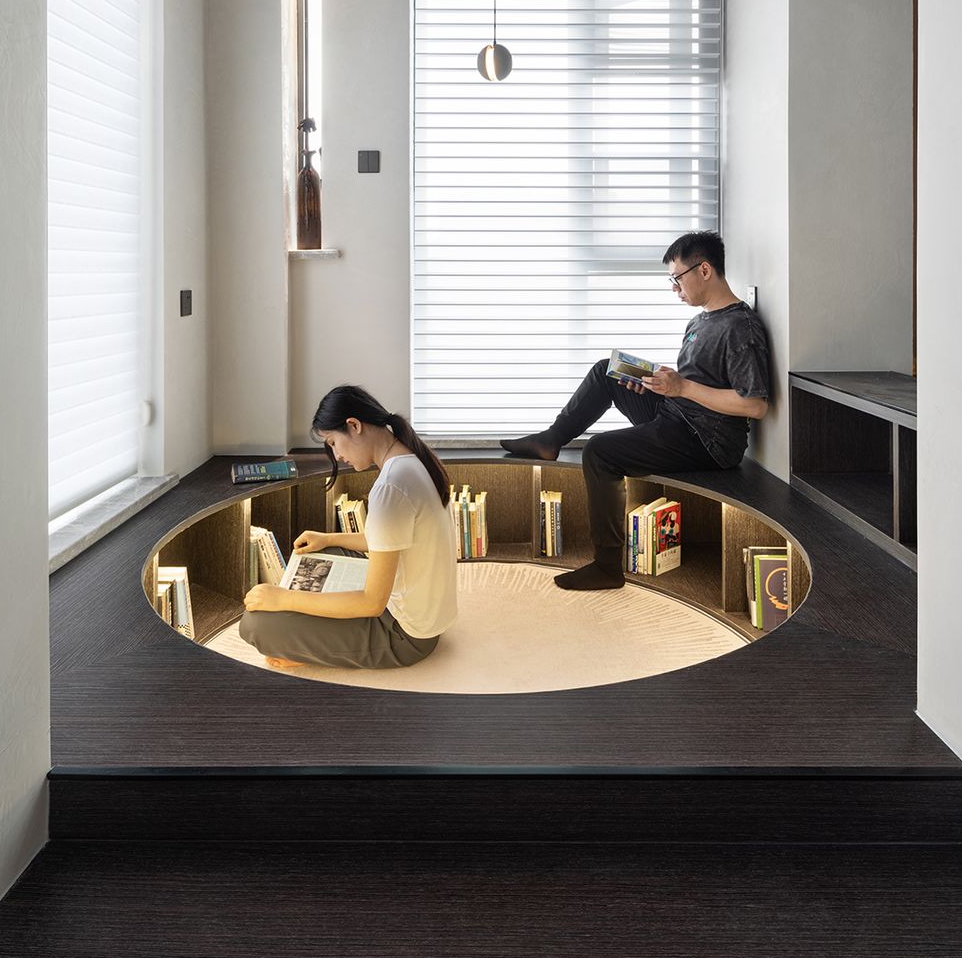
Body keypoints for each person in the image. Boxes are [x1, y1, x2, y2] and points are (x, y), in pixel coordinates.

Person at [500, 231, 770, 591]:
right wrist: (659, 383)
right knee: (609, 370)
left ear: (704, 270)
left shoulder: (740, 327)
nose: (674, 288)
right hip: (678, 414)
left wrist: (682, 387)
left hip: (707, 440)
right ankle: (551, 440)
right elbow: (694, 382)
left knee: (599, 451)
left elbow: (755, 404)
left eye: (677, 278)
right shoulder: (700, 321)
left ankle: (607, 567)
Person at [238, 385, 458, 671]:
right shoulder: (411, 462)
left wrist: (284, 598)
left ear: (354, 425)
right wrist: (328, 538)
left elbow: (372, 603)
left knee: (254, 624)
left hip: (405, 636)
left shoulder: (391, 486)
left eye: (332, 442)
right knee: (325, 552)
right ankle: (315, 638)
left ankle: (309, 651)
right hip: (425, 618)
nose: (337, 454)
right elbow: (391, 540)